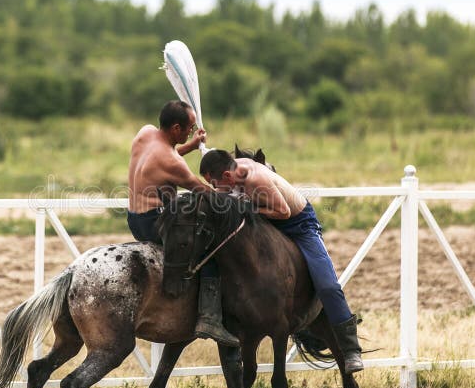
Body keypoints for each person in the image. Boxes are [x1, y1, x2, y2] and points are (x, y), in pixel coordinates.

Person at [199, 149, 364, 373]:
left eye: (215, 184)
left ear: (227, 177)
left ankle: (351, 349)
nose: (215, 190)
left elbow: (284, 212)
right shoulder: (229, 167)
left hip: (298, 224)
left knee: (327, 285)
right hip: (268, 222)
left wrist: (250, 207)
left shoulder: (256, 180)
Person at [127, 100, 239, 347]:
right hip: (154, 223)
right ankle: (209, 318)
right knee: (212, 250)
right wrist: (236, 197)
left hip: (133, 218)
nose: (191, 130)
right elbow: (203, 191)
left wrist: (192, 145)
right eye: (188, 128)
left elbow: (164, 156)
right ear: (175, 127)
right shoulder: (173, 163)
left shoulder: (145, 134)